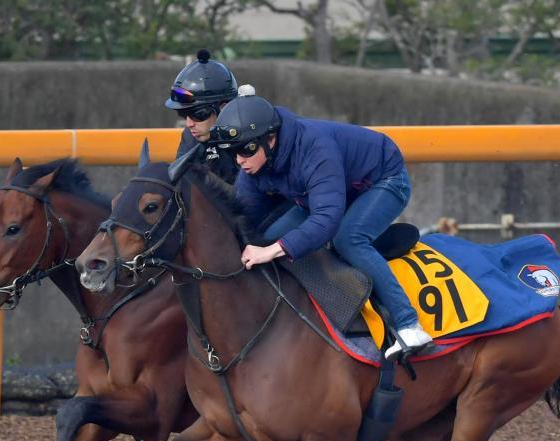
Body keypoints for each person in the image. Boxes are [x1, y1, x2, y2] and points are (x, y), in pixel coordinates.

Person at [209, 93, 433, 359]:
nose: (238, 161)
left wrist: (273, 250)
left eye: (245, 150)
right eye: (232, 152)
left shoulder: (315, 148)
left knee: (347, 239)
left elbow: (326, 219)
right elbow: (244, 221)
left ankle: (409, 324)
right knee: (267, 238)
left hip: (382, 181)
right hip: (331, 193)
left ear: (270, 139)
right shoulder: (254, 167)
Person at [164, 48, 240, 185]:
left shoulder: (249, 132)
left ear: (224, 108)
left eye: (198, 115)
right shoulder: (190, 136)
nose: (189, 124)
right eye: (183, 114)